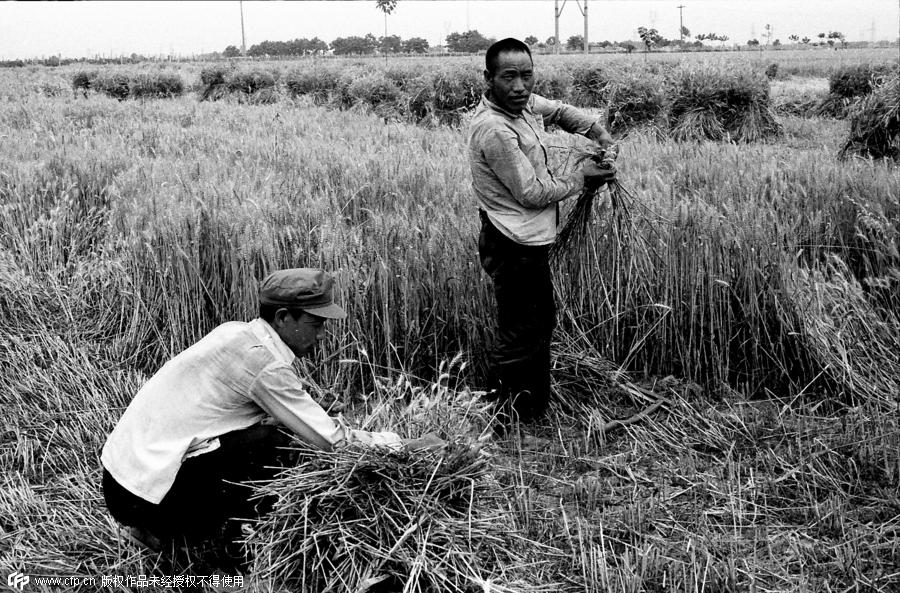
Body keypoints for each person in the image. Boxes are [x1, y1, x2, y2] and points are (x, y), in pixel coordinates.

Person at [100, 267, 443, 561]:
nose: (323, 335)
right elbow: (332, 443)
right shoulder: (263, 364)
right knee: (275, 446)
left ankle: (162, 533)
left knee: (268, 437)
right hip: (145, 500)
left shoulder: (235, 333)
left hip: (123, 483)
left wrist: (303, 412)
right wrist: (402, 446)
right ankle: (235, 551)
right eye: (315, 323)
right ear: (283, 317)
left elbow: (224, 416)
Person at [468, 38, 617, 429]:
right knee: (521, 331)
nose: (520, 86)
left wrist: (597, 133)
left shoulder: (523, 105)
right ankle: (499, 419)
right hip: (511, 242)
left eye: (527, 75)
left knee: (538, 323)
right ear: (489, 79)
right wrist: (581, 178)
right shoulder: (495, 129)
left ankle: (530, 411)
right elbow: (531, 193)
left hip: (527, 241)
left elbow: (563, 112)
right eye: (509, 77)